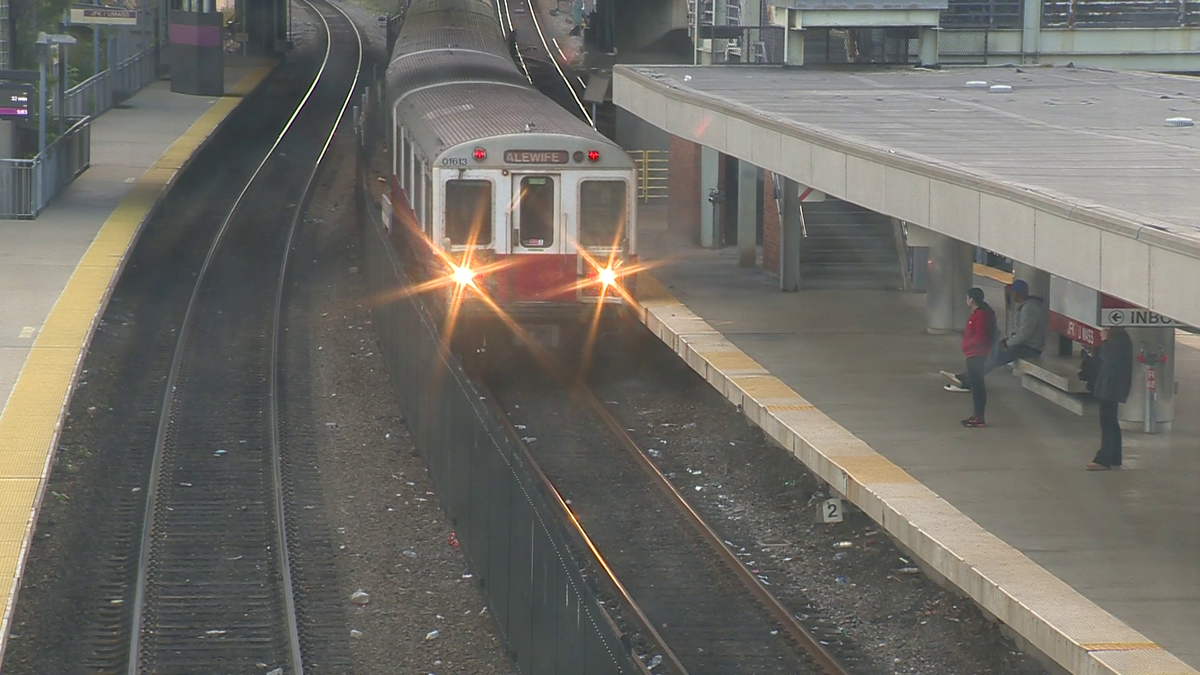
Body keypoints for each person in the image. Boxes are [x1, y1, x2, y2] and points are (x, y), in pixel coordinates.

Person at [944, 279, 1045, 392]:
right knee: (992, 354)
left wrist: (1007, 343)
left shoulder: (1030, 308)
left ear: (1017, 293)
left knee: (997, 356)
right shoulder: (1025, 306)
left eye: (1012, 291)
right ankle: (966, 377)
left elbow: (1025, 333)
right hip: (1023, 345)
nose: (1010, 294)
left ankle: (967, 381)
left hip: (1030, 347)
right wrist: (1006, 341)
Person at [1087, 326, 1133, 470]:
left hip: (1112, 386)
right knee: (1111, 421)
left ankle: (1103, 459)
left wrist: (1105, 342)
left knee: (1107, 422)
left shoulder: (1118, 341)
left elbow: (1111, 360)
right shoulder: (1122, 340)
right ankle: (1114, 456)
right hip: (1112, 385)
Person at [959, 287, 997, 428]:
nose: (966, 300)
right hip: (974, 354)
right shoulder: (980, 314)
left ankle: (979, 416)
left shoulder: (981, 316)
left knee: (977, 386)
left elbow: (981, 336)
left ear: (972, 299)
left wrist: (968, 343)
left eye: (967, 298)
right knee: (976, 385)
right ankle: (977, 415)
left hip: (977, 355)